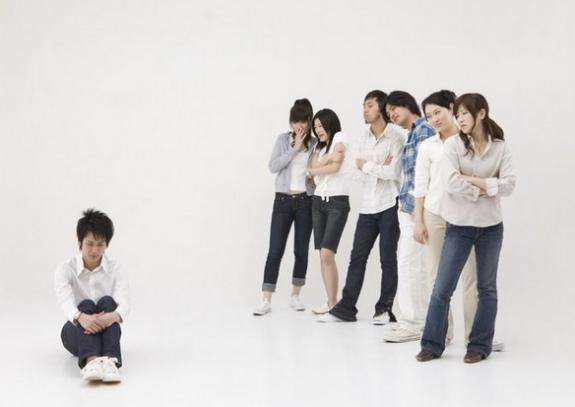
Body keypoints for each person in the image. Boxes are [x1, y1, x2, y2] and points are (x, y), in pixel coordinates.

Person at [416, 93, 516, 363]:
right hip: (459, 226)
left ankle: (479, 346)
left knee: (486, 288)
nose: (459, 119)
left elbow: (509, 185)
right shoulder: (453, 146)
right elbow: (450, 183)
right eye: (457, 114)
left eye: (464, 114)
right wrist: (487, 188)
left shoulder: (500, 147)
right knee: (442, 288)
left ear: (481, 114)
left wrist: (473, 181)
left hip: (491, 227)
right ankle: (432, 344)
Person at [318, 90, 405, 323]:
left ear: (382, 108)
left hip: (389, 204)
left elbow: (394, 172)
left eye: (369, 105)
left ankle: (384, 309)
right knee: (357, 258)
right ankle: (346, 308)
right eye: (363, 106)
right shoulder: (362, 138)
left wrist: (366, 165)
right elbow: (351, 170)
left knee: (388, 259)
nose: (364, 110)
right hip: (367, 206)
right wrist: (377, 167)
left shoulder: (396, 137)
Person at [413, 90, 477, 342]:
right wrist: (418, 221)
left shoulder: (470, 140)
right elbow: (420, 185)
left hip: (466, 215)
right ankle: (443, 333)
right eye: (429, 116)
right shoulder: (427, 146)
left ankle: (475, 335)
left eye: (437, 112)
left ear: (451, 107)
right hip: (435, 215)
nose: (434, 119)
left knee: (471, 277)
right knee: (436, 277)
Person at [381, 91, 436, 342]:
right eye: (388, 112)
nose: (391, 114)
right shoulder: (412, 133)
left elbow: (426, 176)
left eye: (393, 108)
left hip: (417, 212)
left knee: (411, 267)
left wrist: (418, 216)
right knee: (414, 268)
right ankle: (419, 322)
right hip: (408, 209)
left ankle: (413, 324)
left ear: (406, 104)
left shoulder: (424, 129)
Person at [254, 99, 316, 315]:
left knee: (301, 250)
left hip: (306, 202)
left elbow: (317, 172)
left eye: (303, 121)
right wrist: (294, 150)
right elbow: (272, 166)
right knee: (275, 251)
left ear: (309, 121)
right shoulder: (283, 140)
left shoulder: (315, 143)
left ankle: (295, 295)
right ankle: (266, 299)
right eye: (295, 121)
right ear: (291, 123)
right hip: (282, 201)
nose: (299, 125)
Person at [54, 209, 130, 382]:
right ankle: (91, 361)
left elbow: (124, 301)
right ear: (80, 241)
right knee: (86, 304)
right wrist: (82, 318)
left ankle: (110, 362)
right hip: (75, 334)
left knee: (108, 302)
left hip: (106, 333)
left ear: (107, 244)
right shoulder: (65, 269)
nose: (95, 250)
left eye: (100, 244)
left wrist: (110, 317)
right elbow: (65, 302)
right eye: (90, 244)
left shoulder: (116, 269)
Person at [308, 108, 351, 314]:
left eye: (320, 125)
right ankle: (330, 301)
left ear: (329, 123)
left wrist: (315, 169)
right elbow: (316, 167)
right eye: (315, 127)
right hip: (318, 202)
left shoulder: (340, 137)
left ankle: (334, 304)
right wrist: (326, 160)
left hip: (337, 202)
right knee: (322, 255)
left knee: (327, 253)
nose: (318, 130)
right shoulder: (318, 146)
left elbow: (335, 167)